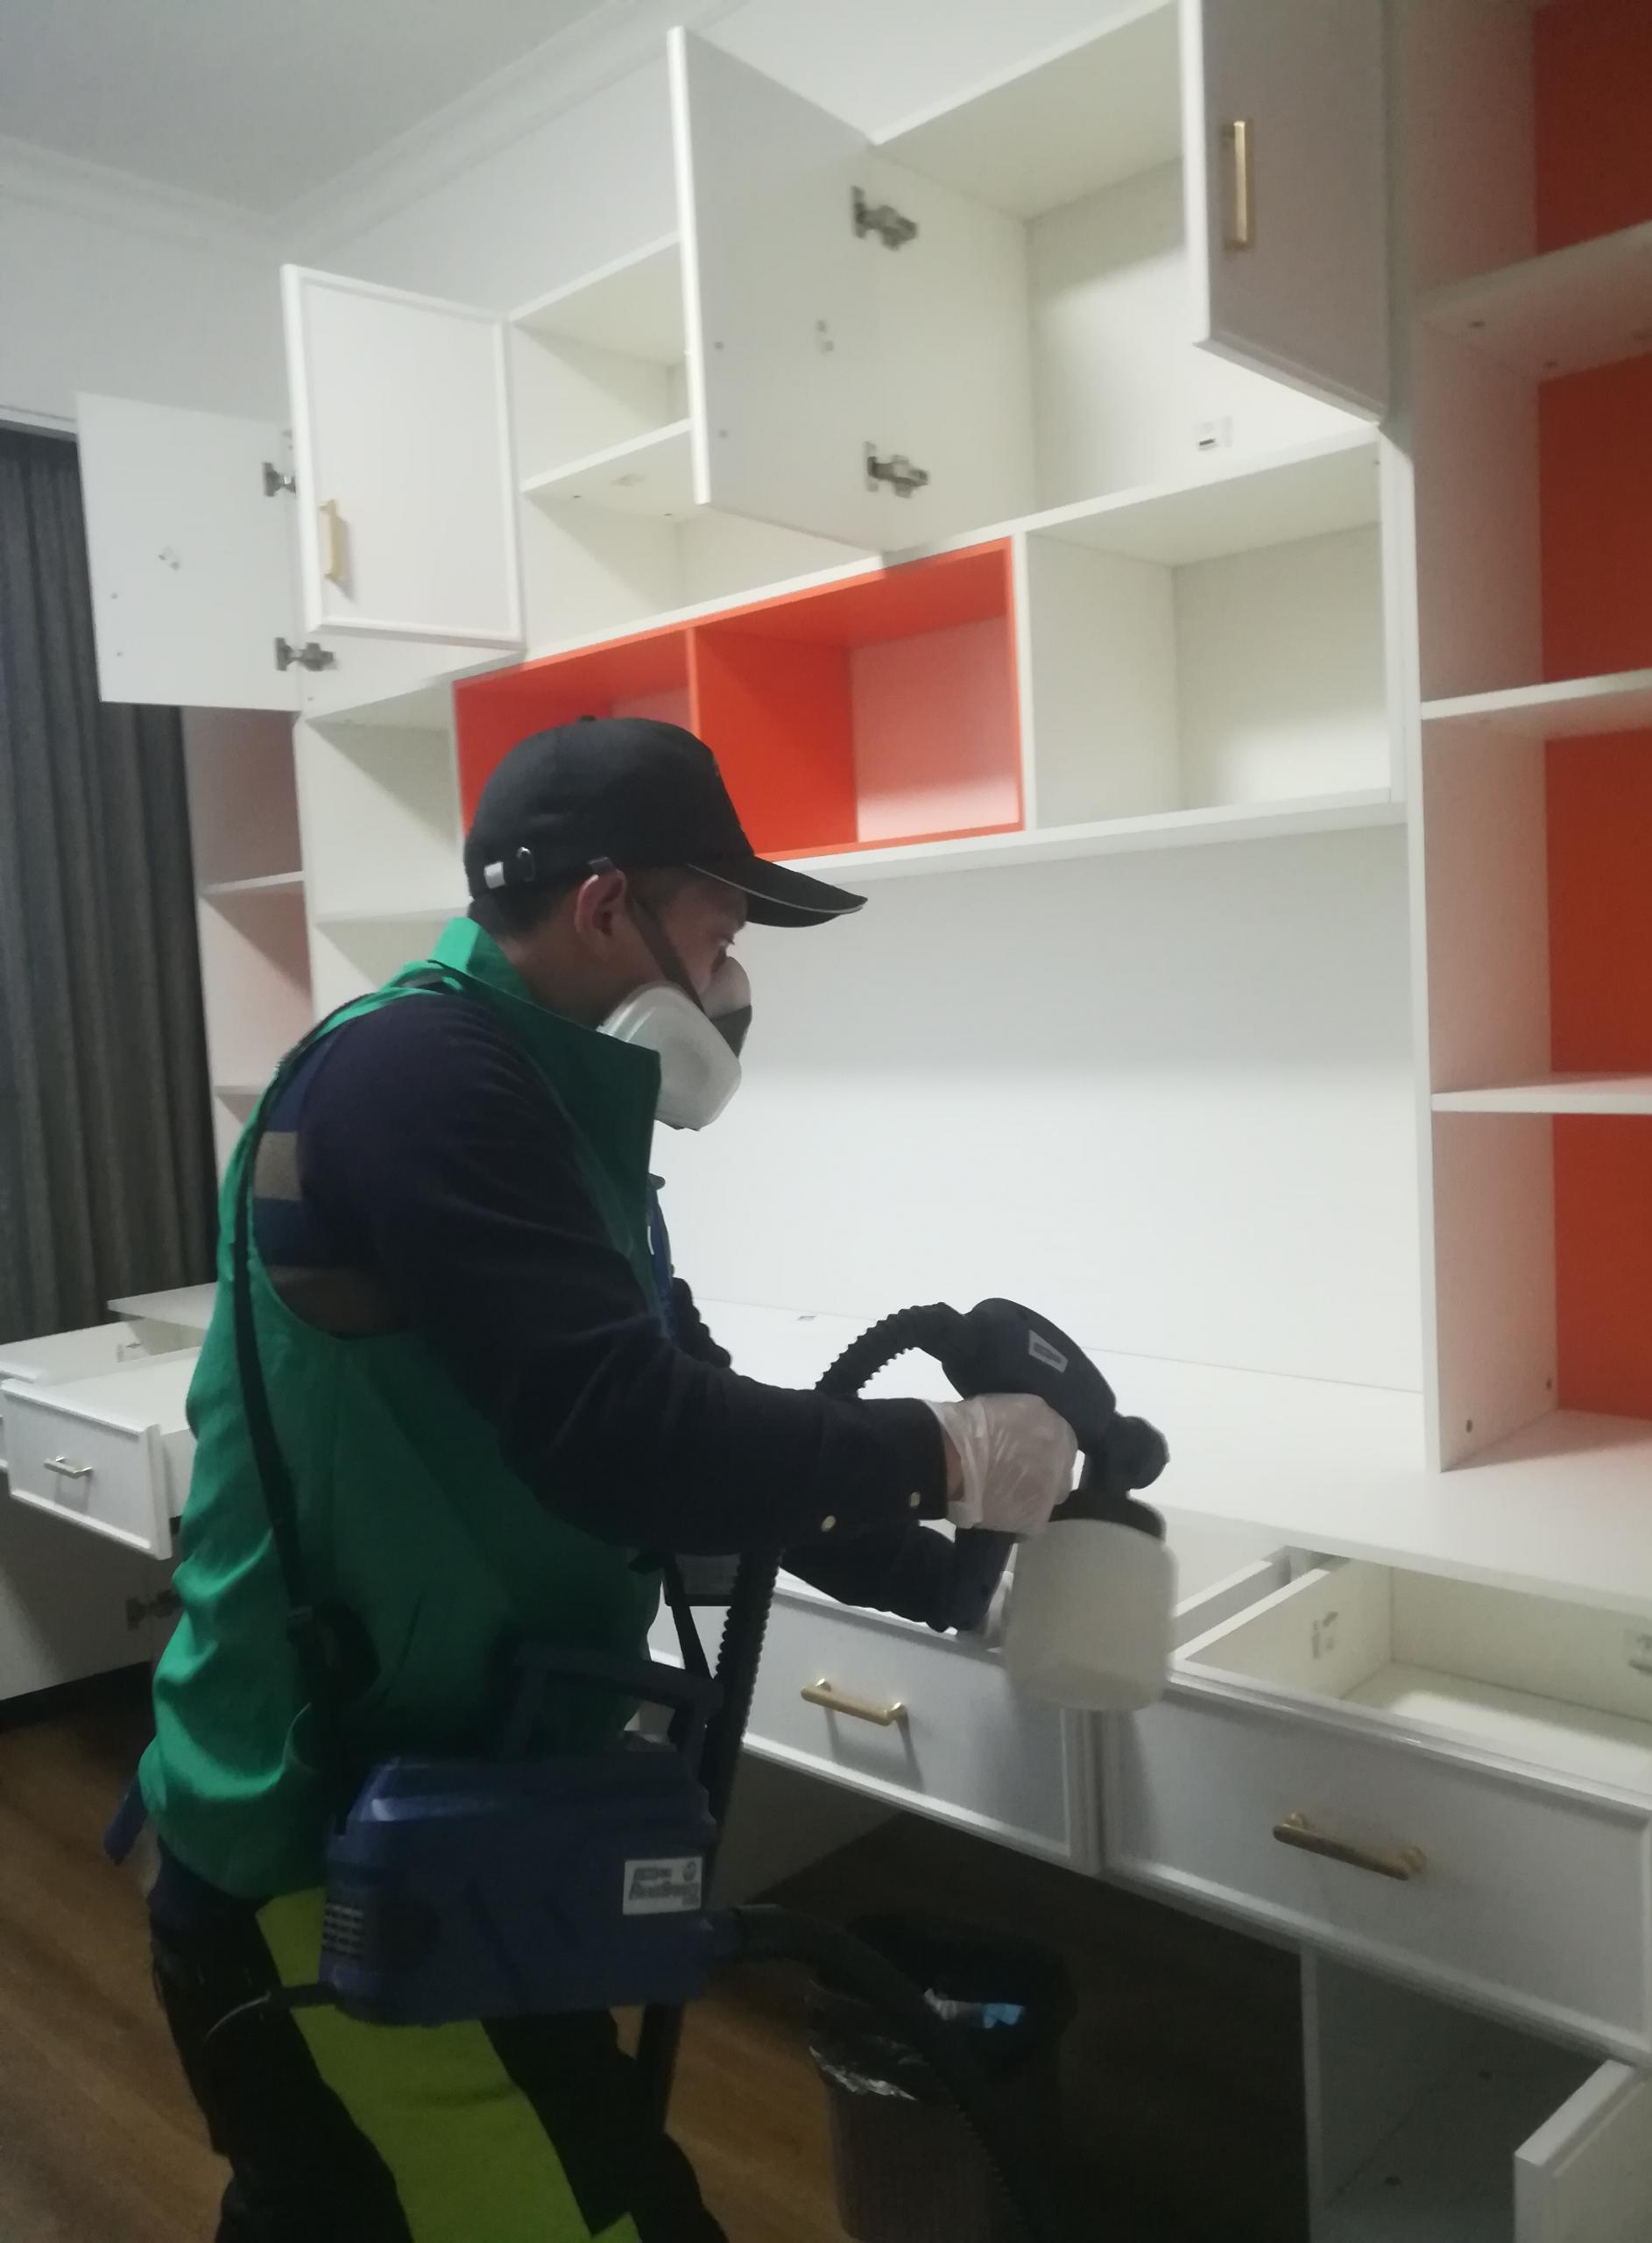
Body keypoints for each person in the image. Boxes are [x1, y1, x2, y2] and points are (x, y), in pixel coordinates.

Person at [136, 717, 1078, 2242]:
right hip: (322, 1847)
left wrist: (944, 1569)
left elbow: (689, 1407)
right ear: (601, 907)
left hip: (463, 1809)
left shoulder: (548, 1114)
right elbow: (626, 1437)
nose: (731, 982)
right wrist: (948, 1450)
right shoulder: (416, 1078)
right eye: (717, 932)